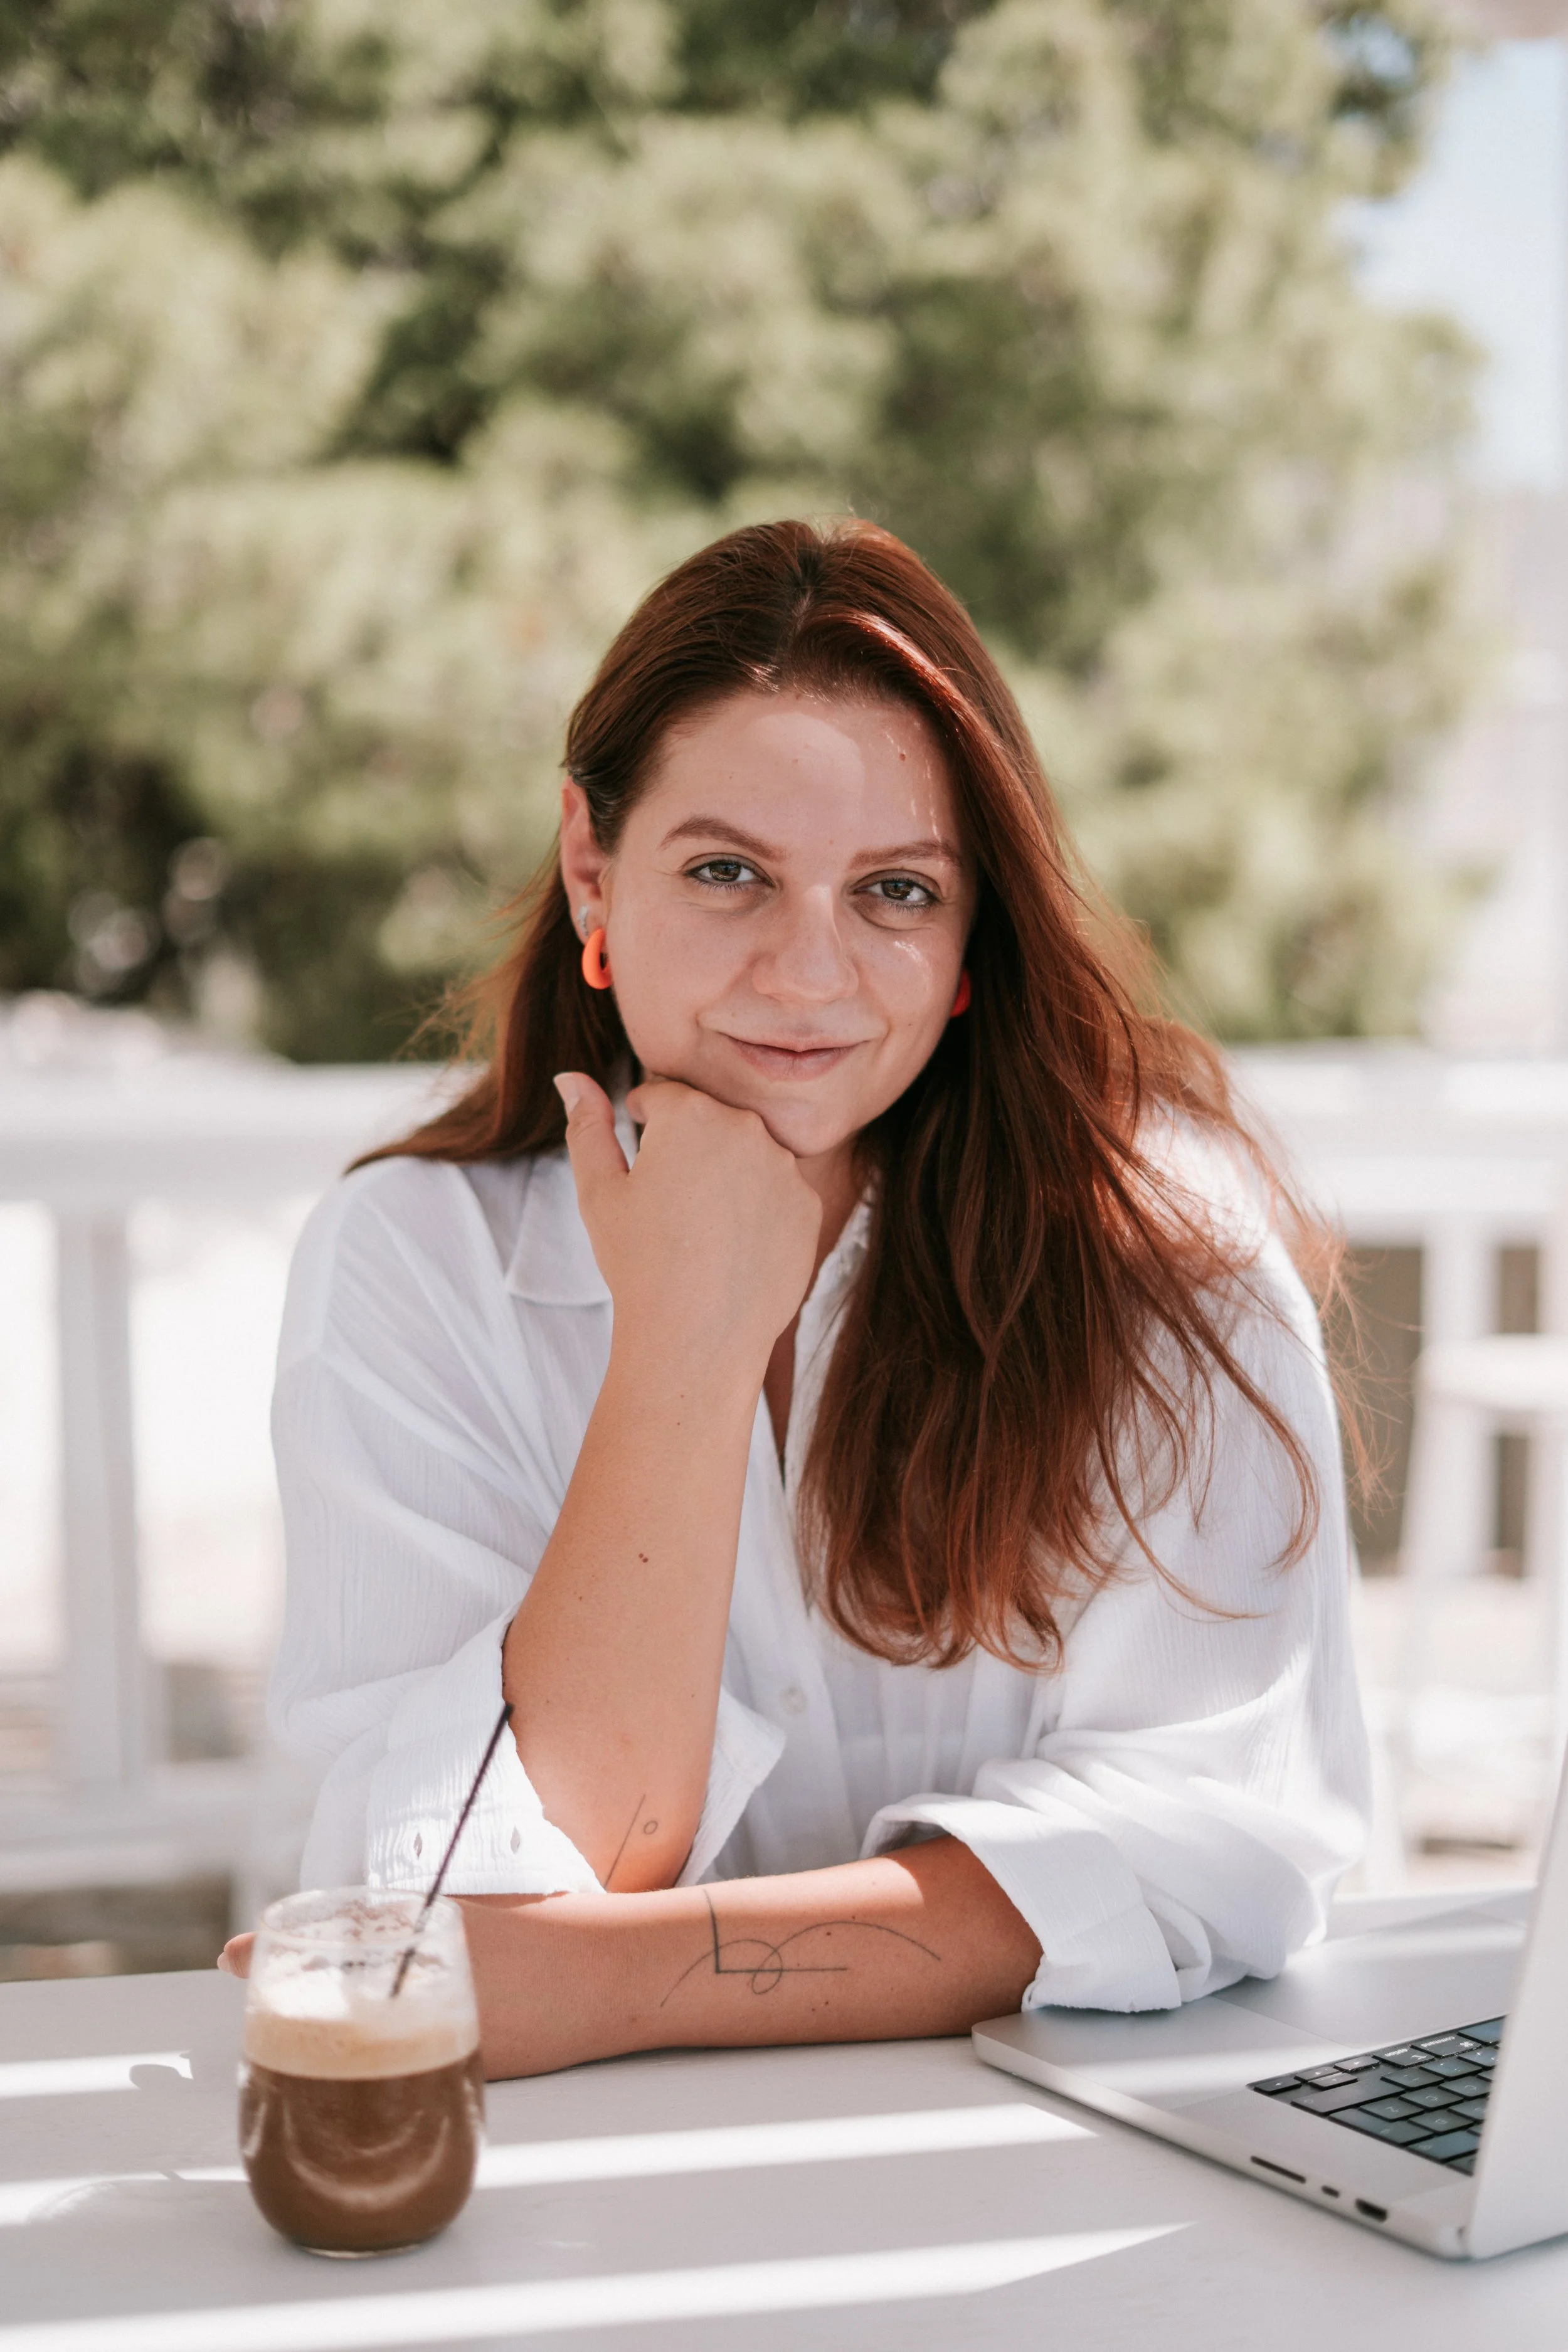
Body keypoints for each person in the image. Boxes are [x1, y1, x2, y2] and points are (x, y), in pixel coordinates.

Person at [222, 519, 1369, 2079]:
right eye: (725, 873)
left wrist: (622, 1987)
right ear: (589, 870)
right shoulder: (416, 1263)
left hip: (1055, 2176)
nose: (808, 972)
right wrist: (685, 1350)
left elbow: (1209, 1839)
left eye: (893, 890)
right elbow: (478, 1867)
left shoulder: (1164, 1268)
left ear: (973, 938)